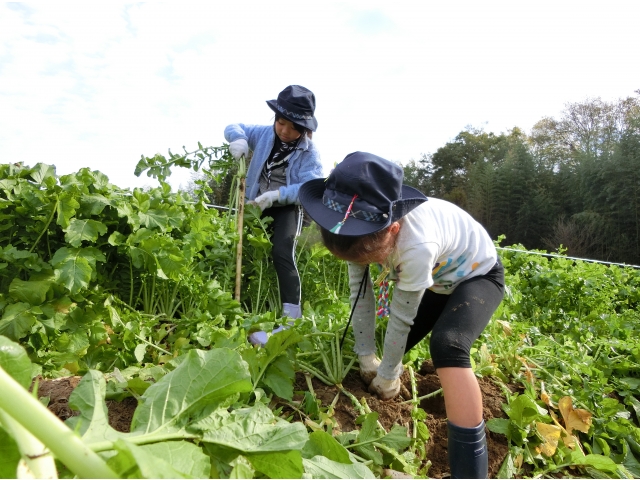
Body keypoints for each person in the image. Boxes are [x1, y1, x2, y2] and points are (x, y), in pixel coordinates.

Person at [298, 151, 505, 479]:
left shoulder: (416, 245)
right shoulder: (355, 226)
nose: (363, 266)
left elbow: (402, 316)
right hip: (438, 282)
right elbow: (361, 296)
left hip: (477, 276)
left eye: (370, 259)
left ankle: (470, 471)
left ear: (392, 230)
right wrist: (367, 357)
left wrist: (390, 374)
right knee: (384, 346)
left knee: (448, 345)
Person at [225, 85, 323, 346]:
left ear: (304, 129)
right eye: (281, 123)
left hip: (286, 207)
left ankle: (291, 319)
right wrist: (238, 138)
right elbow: (235, 125)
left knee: (282, 252)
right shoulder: (265, 135)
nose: (285, 131)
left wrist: (278, 195)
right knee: (242, 252)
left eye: (293, 127)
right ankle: (240, 309)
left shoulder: (308, 152)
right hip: (255, 206)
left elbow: (310, 187)